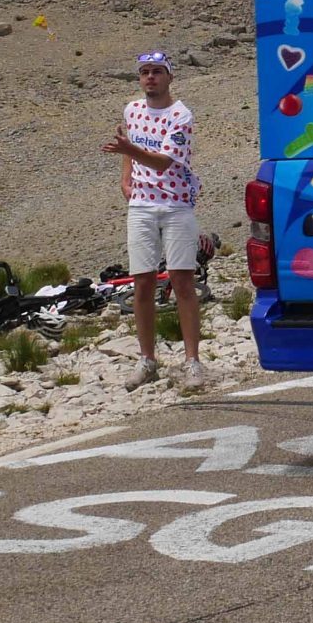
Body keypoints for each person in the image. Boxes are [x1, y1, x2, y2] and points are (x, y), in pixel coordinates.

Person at [103, 51, 205, 390]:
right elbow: (130, 146)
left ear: (169, 77)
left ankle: (192, 361)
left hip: (175, 204)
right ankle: (147, 359)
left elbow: (163, 161)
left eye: (157, 72)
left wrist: (127, 153)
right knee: (142, 282)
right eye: (145, 72)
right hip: (142, 204)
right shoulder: (132, 110)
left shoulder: (181, 115)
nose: (150, 78)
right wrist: (125, 177)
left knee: (182, 281)